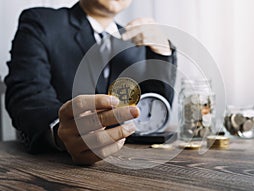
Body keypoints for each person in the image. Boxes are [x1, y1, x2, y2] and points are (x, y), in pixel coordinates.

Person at [5, 0, 176, 165]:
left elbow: (154, 110)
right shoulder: (42, 22)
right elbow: (26, 94)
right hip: (54, 165)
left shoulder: (138, 42)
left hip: (131, 161)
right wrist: (59, 132)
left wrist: (162, 53)